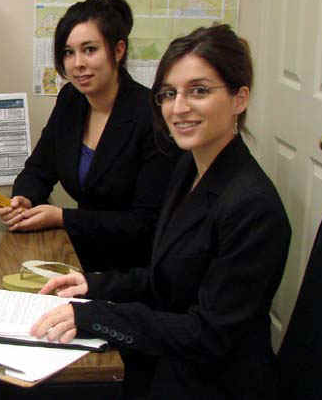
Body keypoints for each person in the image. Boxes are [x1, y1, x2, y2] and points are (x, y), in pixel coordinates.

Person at [30, 24, 290, 399]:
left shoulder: (252, 206)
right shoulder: (188, 167)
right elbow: (167, 279)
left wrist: (98, 316)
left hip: (212, 382)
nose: (178, 108)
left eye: (199, 91)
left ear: (239, 98)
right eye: (169, 93)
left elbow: (209, 335)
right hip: (170, 357)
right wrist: (94, 285)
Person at [0, 0, 179, 272]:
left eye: (90, 50)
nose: (77, 63)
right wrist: (24, 199)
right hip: (79, 253)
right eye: (68, 52)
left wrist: (63, 218)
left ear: (118, 50)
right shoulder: (71, 99)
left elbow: (145, 223)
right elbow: (39, 169)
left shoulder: (151, 115)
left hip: (132, 269)